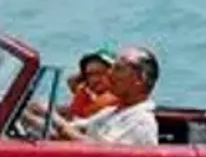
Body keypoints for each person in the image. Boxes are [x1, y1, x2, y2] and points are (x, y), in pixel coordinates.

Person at [27, 46, 162, 146]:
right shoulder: (112, 112)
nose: (110, 75)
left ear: (139, 80)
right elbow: (73, 128)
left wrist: (52, 117)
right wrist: (27, 116)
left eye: (118, 69)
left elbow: (99, 150)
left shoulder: (141, 121)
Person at [59, 49, 119, 119]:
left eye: (100, 73)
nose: (94, 79)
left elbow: (83, 115)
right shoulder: (87, 92)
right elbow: (71, 81)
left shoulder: (114, 98)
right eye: (90, 75)